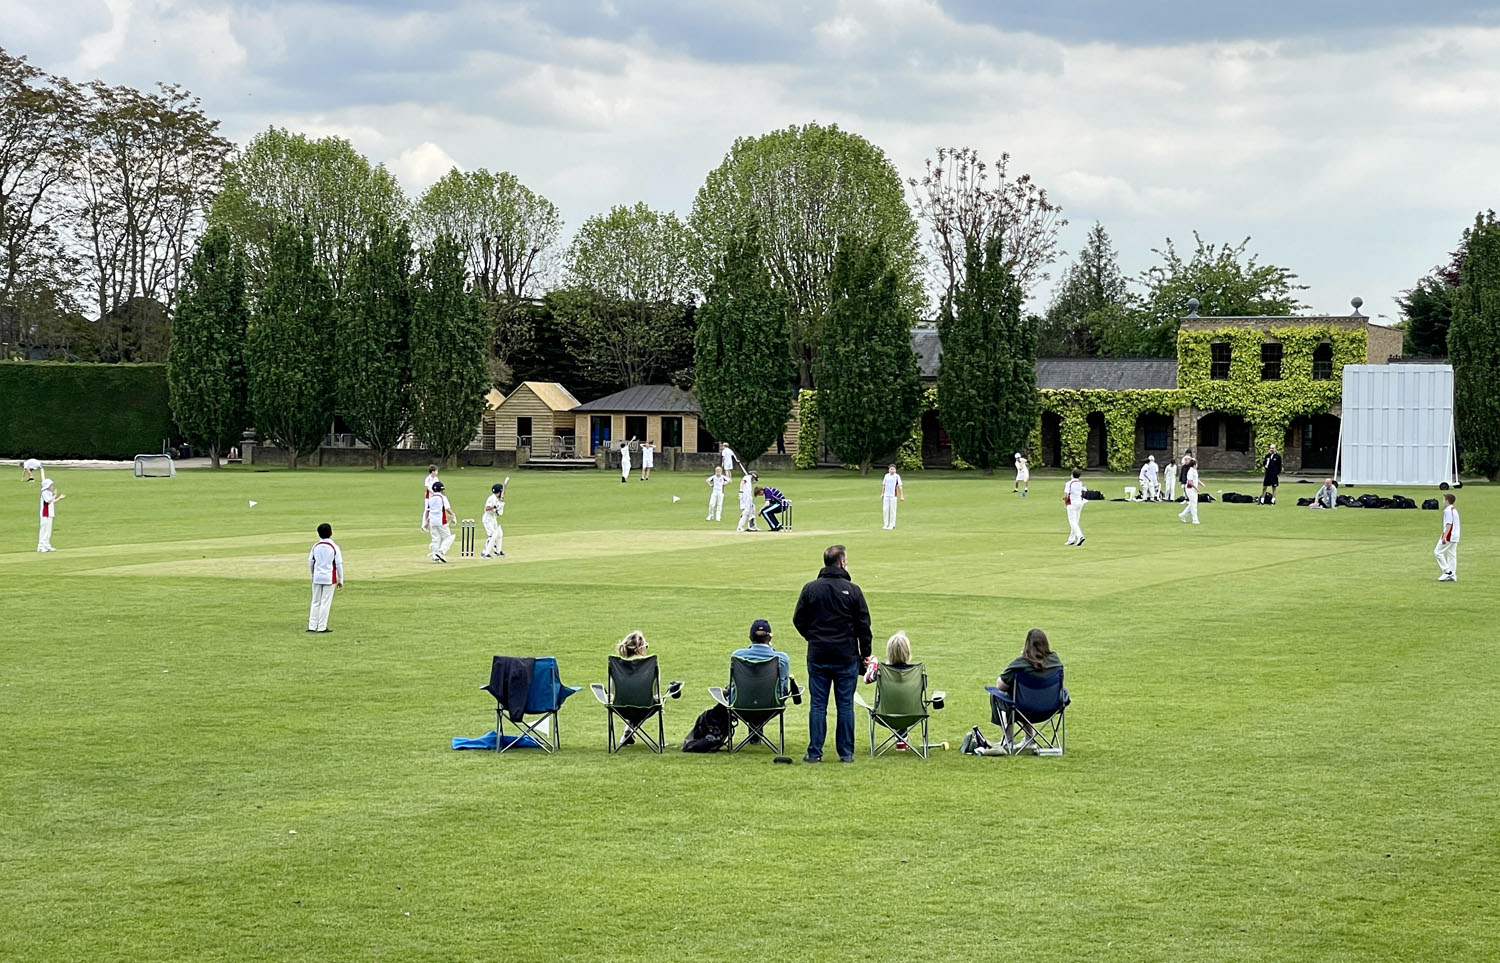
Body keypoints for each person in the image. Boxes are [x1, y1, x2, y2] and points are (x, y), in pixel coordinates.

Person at [793, 544, 873, 763]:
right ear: (842, 562)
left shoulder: (811, 588)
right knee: (845, 704)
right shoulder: (853, 590)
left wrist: (813, 637)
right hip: (845, 654)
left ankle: (814, 752)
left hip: (819, 654)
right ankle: (846, 753)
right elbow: (863, 625)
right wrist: (865, 653)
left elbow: (798, 620)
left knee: (818, 704)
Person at [992, 628, 1064, 754]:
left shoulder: (1020, 664)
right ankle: (1029, 739)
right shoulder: (1056, 661)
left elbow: (1000, 686)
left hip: (1022, 709)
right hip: (1050, 709)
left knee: (1000, 695)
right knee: (1024, 695)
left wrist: (1022, 658)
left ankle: (1008, 740)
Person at [731, 618, 792, 699]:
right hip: (773, 704)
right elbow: (783, 687)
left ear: (750, 637)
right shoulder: (782, 658)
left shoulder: (737, 655)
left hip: (741, 703)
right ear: (770, 638)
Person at [306, 522, 344, 633]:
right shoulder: (334, 547)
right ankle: (322, 626)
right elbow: (338, 564)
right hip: (329, 578)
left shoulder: (315, 546)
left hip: (317, 577)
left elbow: (311, 562)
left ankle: (312, 626)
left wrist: (313, 574)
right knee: (325, 603)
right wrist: (340, 580)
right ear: (331, 533)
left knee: (315, 601)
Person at [422, 480, 456, 562]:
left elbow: (428, 511)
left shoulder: (431, 498)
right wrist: (453, 516)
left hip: (432, 522)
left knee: (435, 539)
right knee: (449, 537)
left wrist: (426, 523)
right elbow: (447, 508)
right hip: (441, 520)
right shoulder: (443, 497)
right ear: (441, 490)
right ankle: (441, 552)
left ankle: (435, 556)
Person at [1435, 493, 1460, 582]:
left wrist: (1444, 536)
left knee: (1437, 552)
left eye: (1444, 500)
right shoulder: (1454, 510)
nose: (1443, 502)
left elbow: (1449, 524)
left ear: (1447, 501)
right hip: (1456, 535)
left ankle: (1447, 571)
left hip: (1450, 535)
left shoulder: (1448, 511)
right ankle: (1452, 575)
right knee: (1452, 555)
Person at [37, 477, 64, 552]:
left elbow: (53, 501)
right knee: (44, 529)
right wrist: (54, 495)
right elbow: (48, 501)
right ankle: (41, 546)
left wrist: (59, 498)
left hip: (50, 513)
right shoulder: (44, 492)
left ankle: (47, 545)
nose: (52, 487)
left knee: (48, 530)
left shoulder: (49, 493)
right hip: (45, 513)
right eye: (51, 485)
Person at [482, 482, 506, 558]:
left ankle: (497, 550)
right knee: (492, 536)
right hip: (487, 519)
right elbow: (486, 508)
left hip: (493, 518)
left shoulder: (497, 499)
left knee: (498, 534)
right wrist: (494, 507)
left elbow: (499, 513)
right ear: (499, 491)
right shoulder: (491, 498)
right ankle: (484, 552)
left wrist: (500, 505)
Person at [1063, 468, 1086, 546]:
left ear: (1072, 474)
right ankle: (1071, 539)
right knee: (1076, 521)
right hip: (1079, 502)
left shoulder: (1069, 483)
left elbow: (1066, 495)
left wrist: (1065, 502)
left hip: (1072, 503)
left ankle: (1080, 536)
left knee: (1072, 521)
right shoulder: (1080, 482)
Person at [880, 464, 904, 529]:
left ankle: (892, 524)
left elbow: (900, 486)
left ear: (895, 470)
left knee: (892, 510)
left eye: (893, 469)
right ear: (889, 470)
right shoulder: (886, 476)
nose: (892, 470)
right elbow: (884, 485)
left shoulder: (897, 476)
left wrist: (901, 495)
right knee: (885, 510)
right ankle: (885, 524)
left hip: (893, 495)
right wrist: (882, 493)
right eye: (891, 469)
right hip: (886, 495)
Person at [1178, 456, 1200, 524]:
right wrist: (1196, 488)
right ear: (1194, 464)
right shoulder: (1190, 471)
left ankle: (1182, 515)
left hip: (1193, 489)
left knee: (1193, 504)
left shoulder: (1194, 470)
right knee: (1193, 505)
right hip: (1190, 489)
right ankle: (1195, 520)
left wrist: (1201, 483)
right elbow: (1190, 482)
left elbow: (1196, 479)